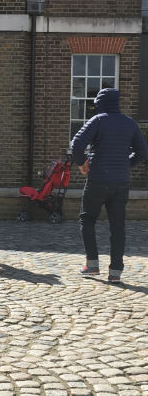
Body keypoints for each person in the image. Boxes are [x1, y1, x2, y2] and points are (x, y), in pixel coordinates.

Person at [70, 87, 148, 283]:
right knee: (118, 227)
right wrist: (125, 164)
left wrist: (82, 163)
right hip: (121, 182)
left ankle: (92, 265)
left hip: (97, 180)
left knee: (87, 219)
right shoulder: (130, 123)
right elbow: (143, 152)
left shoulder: (98, 120)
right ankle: (115, 272)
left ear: (100, 104)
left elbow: (77, 144)